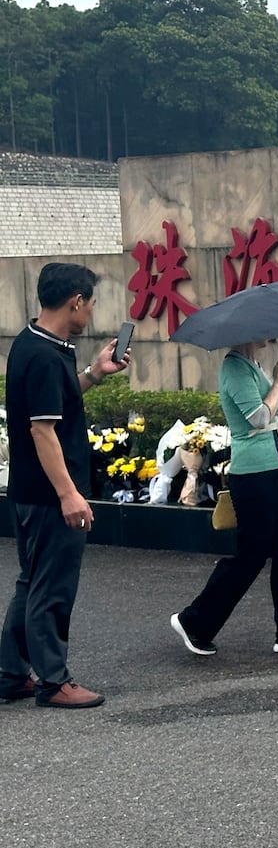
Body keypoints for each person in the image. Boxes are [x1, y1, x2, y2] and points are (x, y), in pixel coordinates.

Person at [1, 262, 128, 708]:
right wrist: (69, 493)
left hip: (32, 493)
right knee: (51, 586)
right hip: (49, 494)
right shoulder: (42, 354)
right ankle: (54, 682)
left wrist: (94, 372)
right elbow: (42, 431)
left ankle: (13, 674)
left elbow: (53, 403)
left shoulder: (39, 344)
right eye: (91, 302)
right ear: (76, 301)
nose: (92, 311)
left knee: (33, 582)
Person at [170, 339, 278, 656]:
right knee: (251, 556)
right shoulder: (234, 368)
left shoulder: (252, 365)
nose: (269, 336)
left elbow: (276, 421)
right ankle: (195, 621)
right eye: (263, 331)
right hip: (255, 476)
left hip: (275, 470)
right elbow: (258, 418)